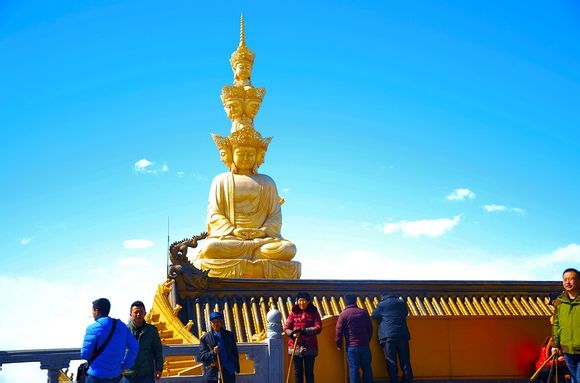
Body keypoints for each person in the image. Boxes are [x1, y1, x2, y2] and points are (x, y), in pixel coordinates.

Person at [81, 298, 139, 383]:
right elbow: (134, 347)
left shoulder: (92, 328)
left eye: (93, 310)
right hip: (115, 376)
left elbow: (85, 354)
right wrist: (124, 366)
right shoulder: (122, 327)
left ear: (96, 311)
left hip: (96, 376)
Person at [372, 294, 414, 383]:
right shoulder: (401, 303)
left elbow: (374, 315)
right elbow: (406, 313)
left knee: (391, 360)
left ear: (382, 296)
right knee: (405, 359)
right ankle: (408, 379)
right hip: (402, 335)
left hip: (388, 336)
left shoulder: (381, 304)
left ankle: (394, 379)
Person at [121, 301, 164, 383]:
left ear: (145, 313)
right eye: (135, 312)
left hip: (146, 374)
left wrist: (159, 368)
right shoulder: (124, 330)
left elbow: (157, 350)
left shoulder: (152, 330)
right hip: (128, 374)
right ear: (130, 314)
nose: (138, 314)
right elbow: (117, 350)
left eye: (141, 312)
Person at [284, 292, 323, 383]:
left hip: (309, 347)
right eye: (300, 301)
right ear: (297, 301)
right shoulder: (293, 312)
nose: (302, 303)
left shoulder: (314, 312)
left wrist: (304, 331)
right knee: (298, 372)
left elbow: (318, 328)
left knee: (309, 372)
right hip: (295, 347)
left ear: (308, 301)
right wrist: (292, 334)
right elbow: (286, 328)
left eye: (304, 300)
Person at [335, 294, 374, 383]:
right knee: (367, 368)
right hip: (365, 345)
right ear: (355, 301)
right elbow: (370, 329)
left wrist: (339, 344)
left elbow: (338, 331)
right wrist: (367, 340)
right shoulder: (363, 312)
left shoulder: (343, 315)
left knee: (354, 369)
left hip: (352, 347)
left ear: (345, 302)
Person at [552, 268, 580, 383]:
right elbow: (556, 324)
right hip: (567, 350)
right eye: (565, 279)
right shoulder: (559, 302)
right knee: (574, 379)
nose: (568, 282)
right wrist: (555, 344)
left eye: (571, 279)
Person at [199, 312, 240, 383]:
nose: (216, 324)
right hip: (213, 373)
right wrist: (213, 352)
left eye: (218, 322)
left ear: (221, 322)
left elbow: (235, 352)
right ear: (211, 323)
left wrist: (234, 365)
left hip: (228, 370)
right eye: (213, 322)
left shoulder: (229, 335)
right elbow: (202, 356)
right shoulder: (205, 338)